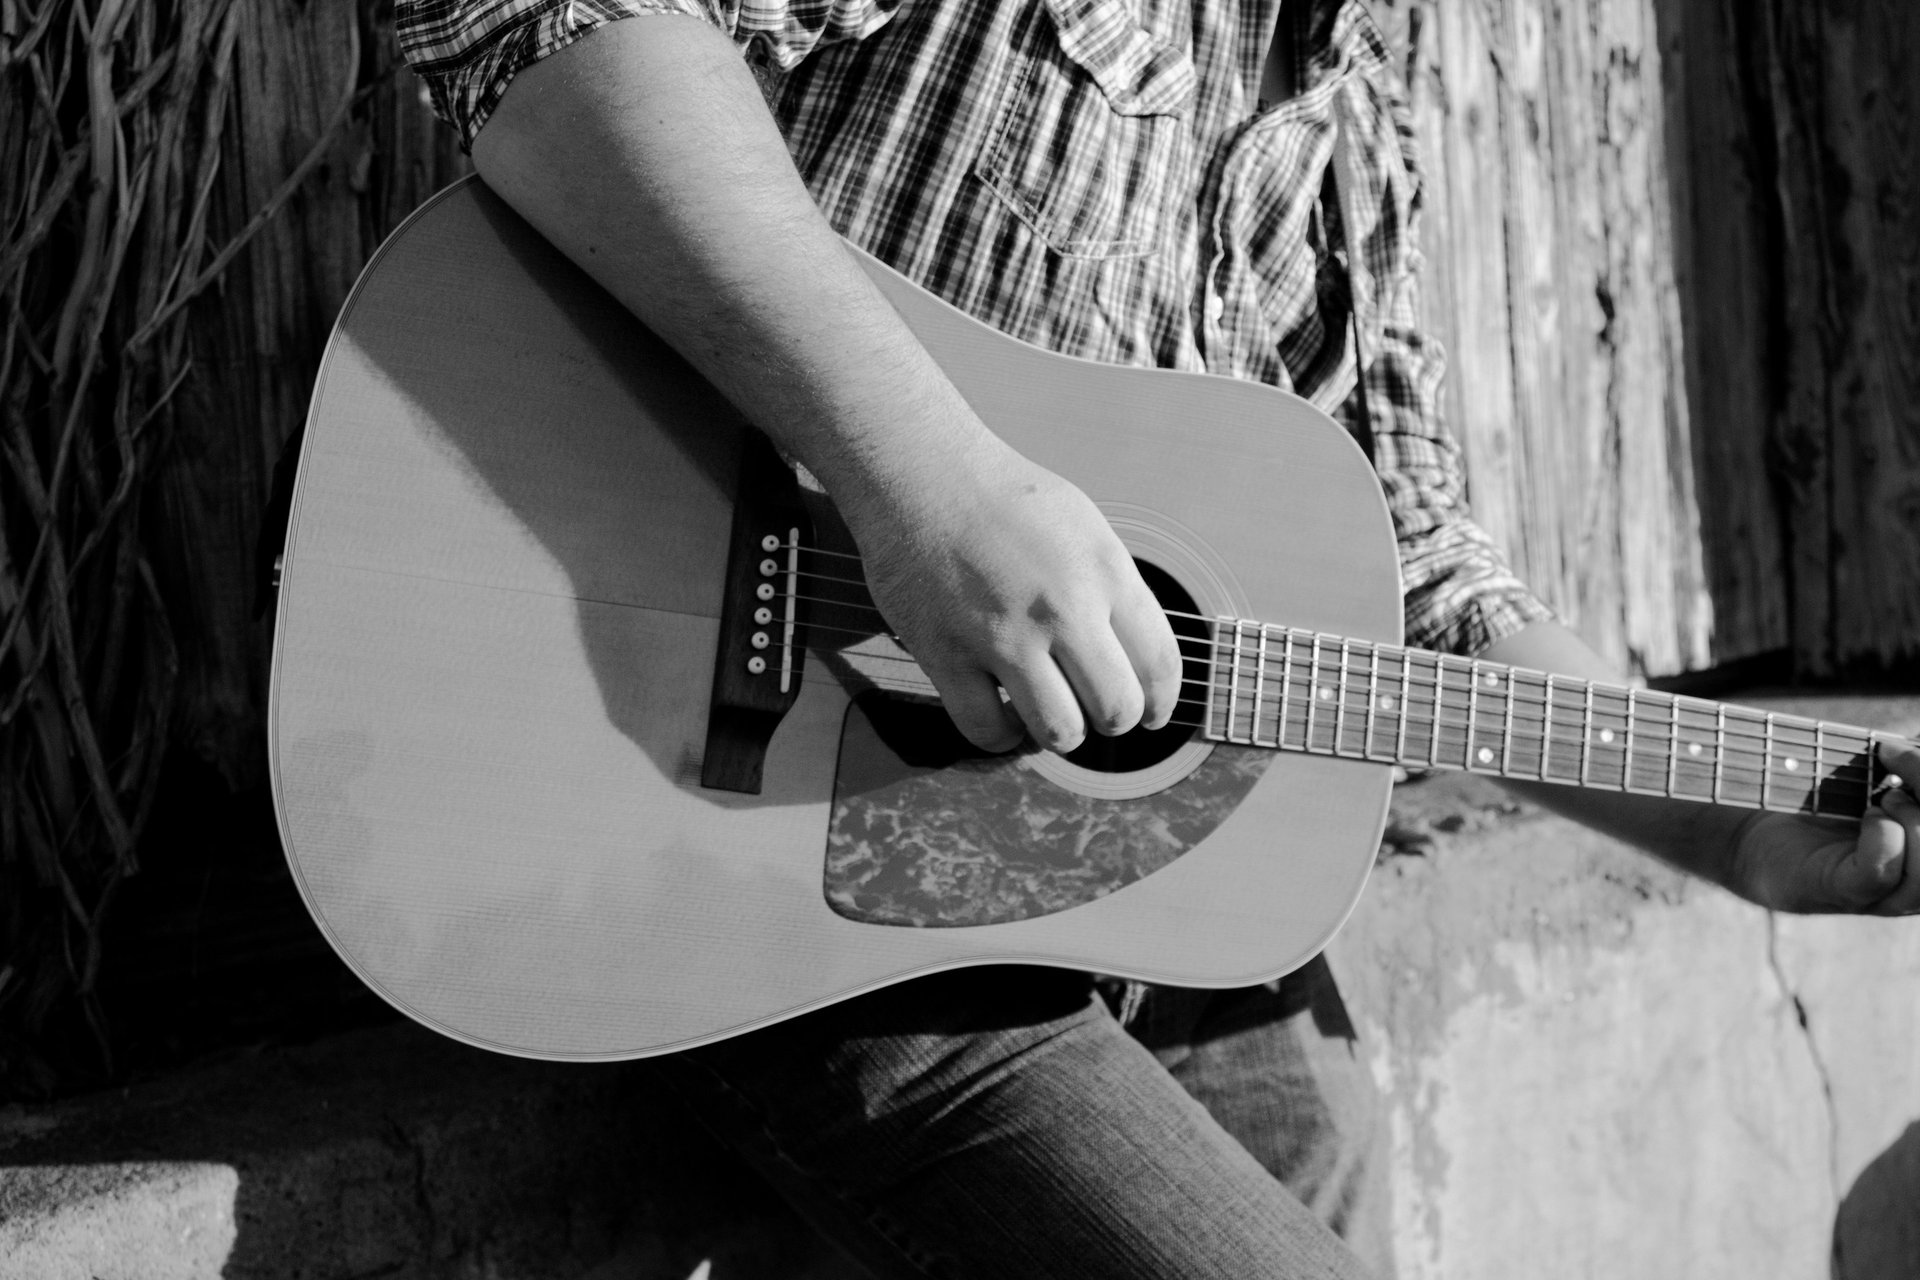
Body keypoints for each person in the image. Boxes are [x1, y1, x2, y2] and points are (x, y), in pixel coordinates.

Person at [393, 1, 1920, 1274]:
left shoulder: (1352, 79)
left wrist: (1746, 827)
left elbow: (1416, 574)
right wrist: (924, 478)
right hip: (754, 831)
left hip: (1101, 891)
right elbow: (532, 18)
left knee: (1326, 1125)